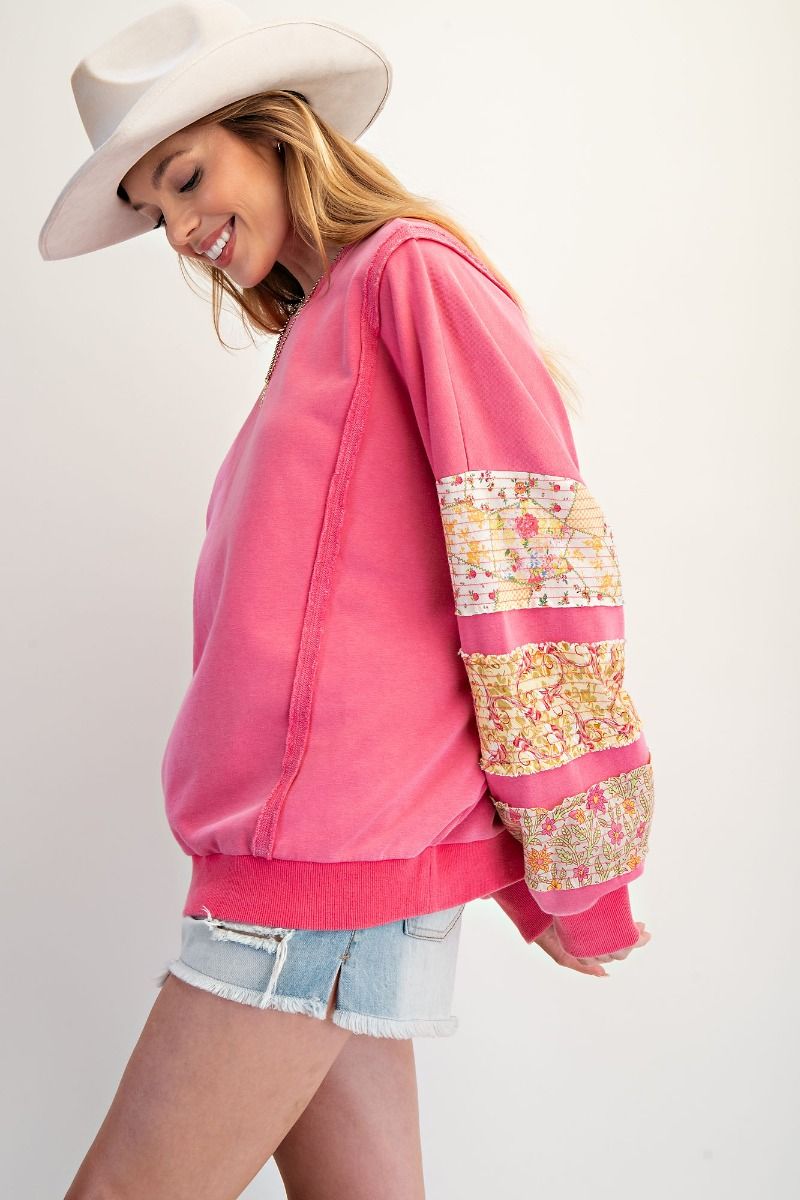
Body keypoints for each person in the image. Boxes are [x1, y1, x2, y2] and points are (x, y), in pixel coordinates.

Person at [40, 4, 655, 1197]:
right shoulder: (323, 324)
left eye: (185, 177)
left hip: (314, 872)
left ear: (276, 132)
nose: (179, 231)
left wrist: (572, 863)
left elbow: (533, 576)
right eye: (155, 211)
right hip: (312, 865)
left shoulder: (410, 278)